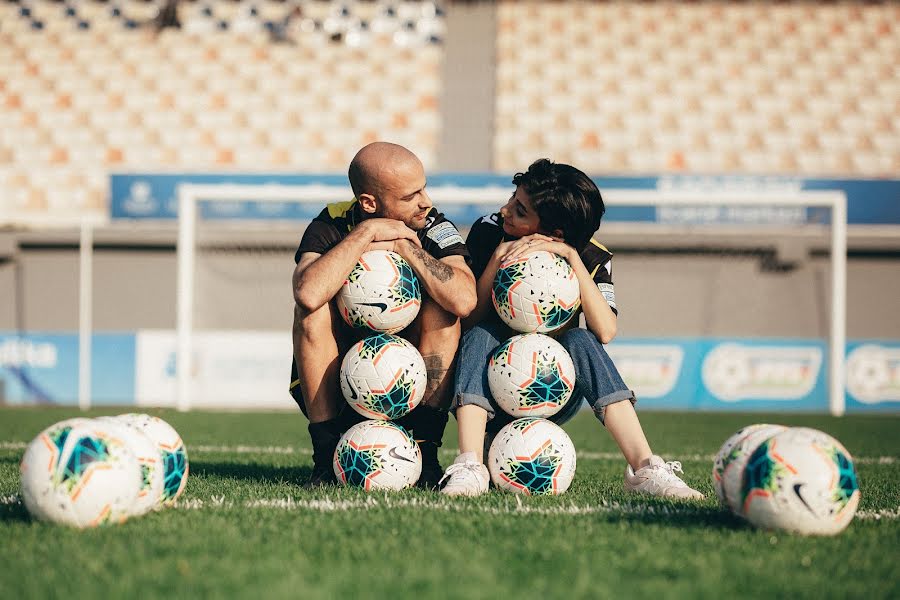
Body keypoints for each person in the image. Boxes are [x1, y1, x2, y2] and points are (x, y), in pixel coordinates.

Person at [440, 158, 704, 499]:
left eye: (520, 211)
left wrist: (570, 257)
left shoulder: (593, 256)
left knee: (580, 337)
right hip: (488, 391)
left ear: (555, 232)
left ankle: (645, 467)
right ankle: (470, 464)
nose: (505, 211)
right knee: (480, 334)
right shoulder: (489, 231)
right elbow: (469, 318)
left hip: (552, 390)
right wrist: (497, 260)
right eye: (512, 199)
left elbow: (606, 330)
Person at [291, 142, 477, 488]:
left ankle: (425, 450)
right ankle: (325, 454)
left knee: (445, 310)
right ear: (368, 203)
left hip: (410, 380)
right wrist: (368, 233)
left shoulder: (433, 224)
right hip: (342, 380)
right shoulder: (332, 221)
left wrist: (404, 244)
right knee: (309, 313)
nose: (426, 201)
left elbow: (465, 299)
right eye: (410, 196)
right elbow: (307, 292)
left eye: (423, 187)